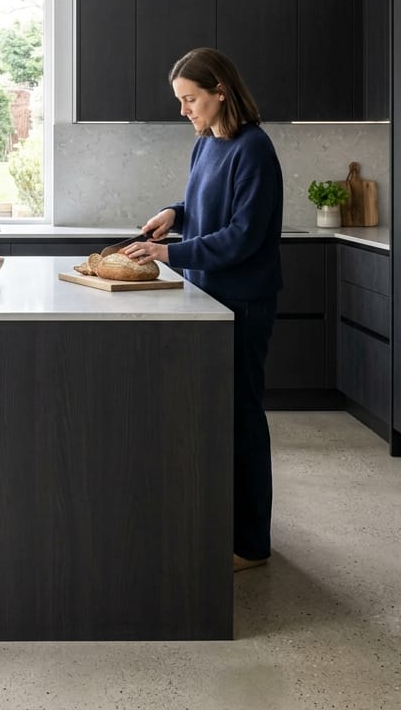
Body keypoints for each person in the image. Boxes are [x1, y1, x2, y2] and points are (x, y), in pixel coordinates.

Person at [123, 46, 283, 572]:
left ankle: (252, 545)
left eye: (191, 99)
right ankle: (222, 526)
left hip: (242, 301)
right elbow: (208, 209)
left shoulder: (253, 148)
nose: (184, 110)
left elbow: (242, 235)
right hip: (208, 296)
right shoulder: (206, 145)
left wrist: (169, 253)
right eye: (181, 101)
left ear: (221, 91)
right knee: (214, 418)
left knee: (241, 419)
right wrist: (175, 212)